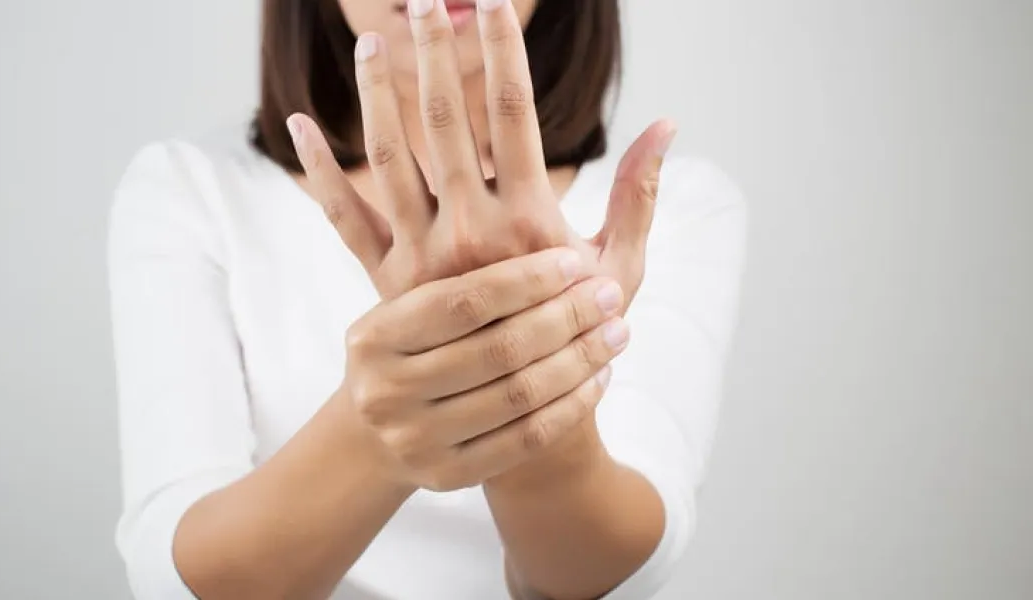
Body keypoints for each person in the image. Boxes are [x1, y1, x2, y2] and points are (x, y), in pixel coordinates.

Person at [107, 0, 746, 598]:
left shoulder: (668, 206)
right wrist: (378, 431)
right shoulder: (191, 192)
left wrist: (523, 382)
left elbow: (612, 567)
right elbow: (170, 569)